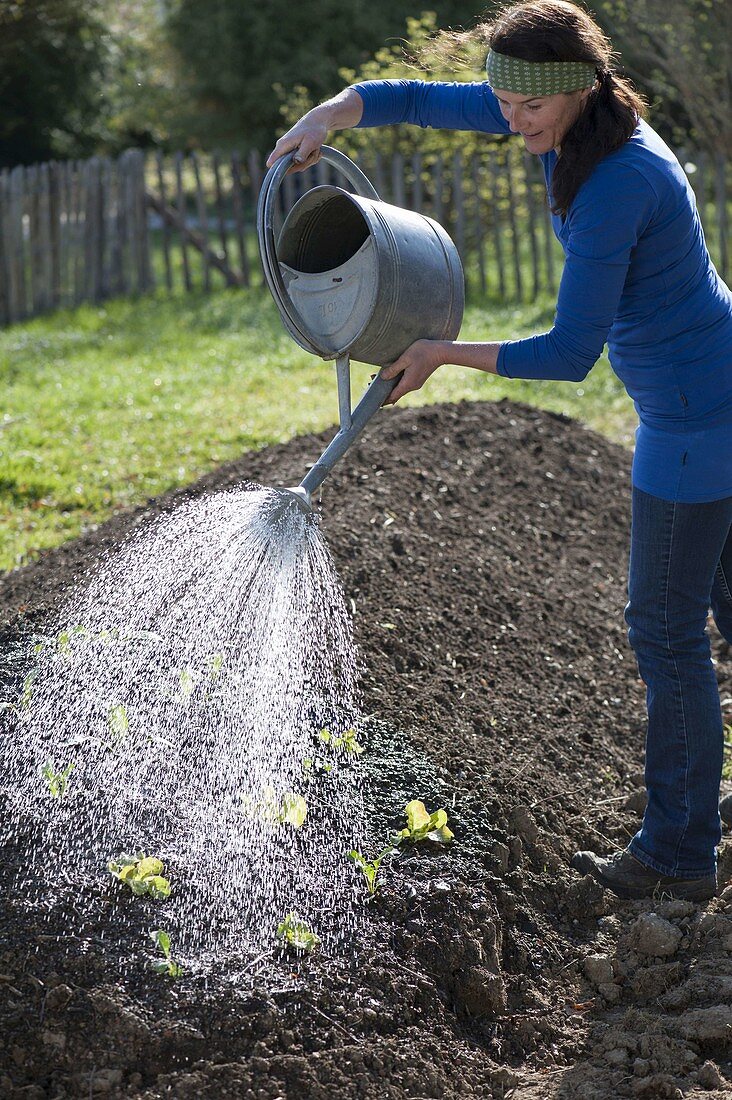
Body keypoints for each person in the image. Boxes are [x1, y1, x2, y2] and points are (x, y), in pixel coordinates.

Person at [267, 0, 732, 902]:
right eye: (502, 102)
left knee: (666, 632)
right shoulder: (570, 115)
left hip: (695, 422)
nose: (509, 120)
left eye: (525, 109)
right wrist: (330, 113)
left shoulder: (617, 184)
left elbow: (569, 353)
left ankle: (679, 851)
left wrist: (443, 352)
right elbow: (411, 97)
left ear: (576, 88)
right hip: (717, 379)